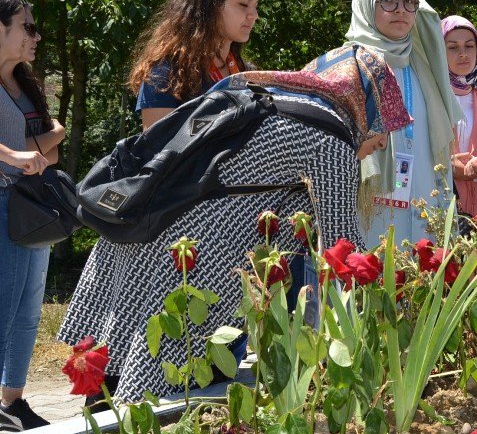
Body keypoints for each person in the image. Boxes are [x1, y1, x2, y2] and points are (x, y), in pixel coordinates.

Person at [59, 55, 409, 402]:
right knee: (159, 387)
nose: (381, 143)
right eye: (383, 127)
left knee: (117, 371)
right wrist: (394, 295)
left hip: (152, 225)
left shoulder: (276, 97)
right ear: (364, 104)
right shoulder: (330, 137)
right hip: (193, 257)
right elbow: (341, 246)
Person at [311, 0, 461, 249]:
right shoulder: (345, 66)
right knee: (372, 279)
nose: (401, 10)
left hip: (422, 197)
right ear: (368, 4)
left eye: (409, 1)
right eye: (388, 0)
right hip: (368, 209)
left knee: (421, 281)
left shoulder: (425, 68)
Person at [0, 0, 65, 431]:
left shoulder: (26, 85)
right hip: (4, 203)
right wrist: (19, 152)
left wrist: (32, 149)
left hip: (31, 204)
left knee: (27, 310)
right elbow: (44, 144)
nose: (35, 35)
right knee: (4, 304)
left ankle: (14, 401)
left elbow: (50, 155)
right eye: (26, 26)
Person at [129, 0, 262, 129]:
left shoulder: (246, 73)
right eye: (244, 4)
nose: (254, 15)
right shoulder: (165, 73)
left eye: (255, 6)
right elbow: (156, 149)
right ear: (210, 6)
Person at [441, 15, 477, 219]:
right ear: (439, 50)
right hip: (434, 203)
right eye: (453, 47)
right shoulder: (430, 96)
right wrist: (447, 167)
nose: (463, 54)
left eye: (469, 46)